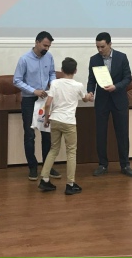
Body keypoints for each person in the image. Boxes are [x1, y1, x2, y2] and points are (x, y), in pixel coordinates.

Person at [38, 57, 91, 195]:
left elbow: (48, 104)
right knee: (71, 152)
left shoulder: (55, 83)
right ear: (75, 70)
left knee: (53, 149)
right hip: (69, 122)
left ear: (61, 70)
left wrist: (47, 118)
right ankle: (70, 184)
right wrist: (89, 96)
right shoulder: (78, 85)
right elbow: (85, 99)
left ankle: (44, 179)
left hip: (55, 120)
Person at [87, 32, 132, 178]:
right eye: (97, 47)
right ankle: (102, 164)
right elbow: (91, 80)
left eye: (102, 46)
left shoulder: (122, 57)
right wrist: (90, 92)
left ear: (110, 44)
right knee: (101, 133)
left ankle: (125, 165)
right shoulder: (94, 59)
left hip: (119, 100)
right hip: (102, 101)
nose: (100, 50)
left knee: (122, 133)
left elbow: (127, 78)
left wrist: (116, 86)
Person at [13, 31, 61, 181]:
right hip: (29, 100)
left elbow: (52, 73)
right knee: (30, 134)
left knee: (47, 133)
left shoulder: (49, 57)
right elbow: (17, 80)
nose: (47, 48)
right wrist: (34, 91)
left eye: (49, 46)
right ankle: (32, 167)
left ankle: (47, 166)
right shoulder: (24, 59)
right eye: (45, 45)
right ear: (36, 42)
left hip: (44, 100)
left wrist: (52, 84)